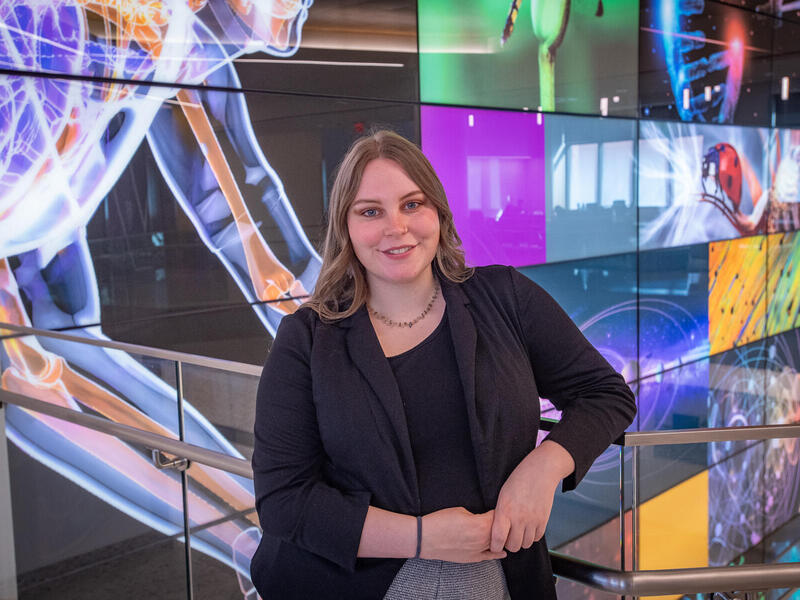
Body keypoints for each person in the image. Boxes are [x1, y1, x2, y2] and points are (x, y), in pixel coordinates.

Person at [250, 130, 636, 599]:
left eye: (412, 204)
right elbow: (284, 501)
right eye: (371, 211)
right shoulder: (307, 338)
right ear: (346, 228)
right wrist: (423, 538)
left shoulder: (504, 297)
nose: (397, 227)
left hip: (494, 581)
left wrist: (543, 469)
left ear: (438, 212)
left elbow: (606, 394)